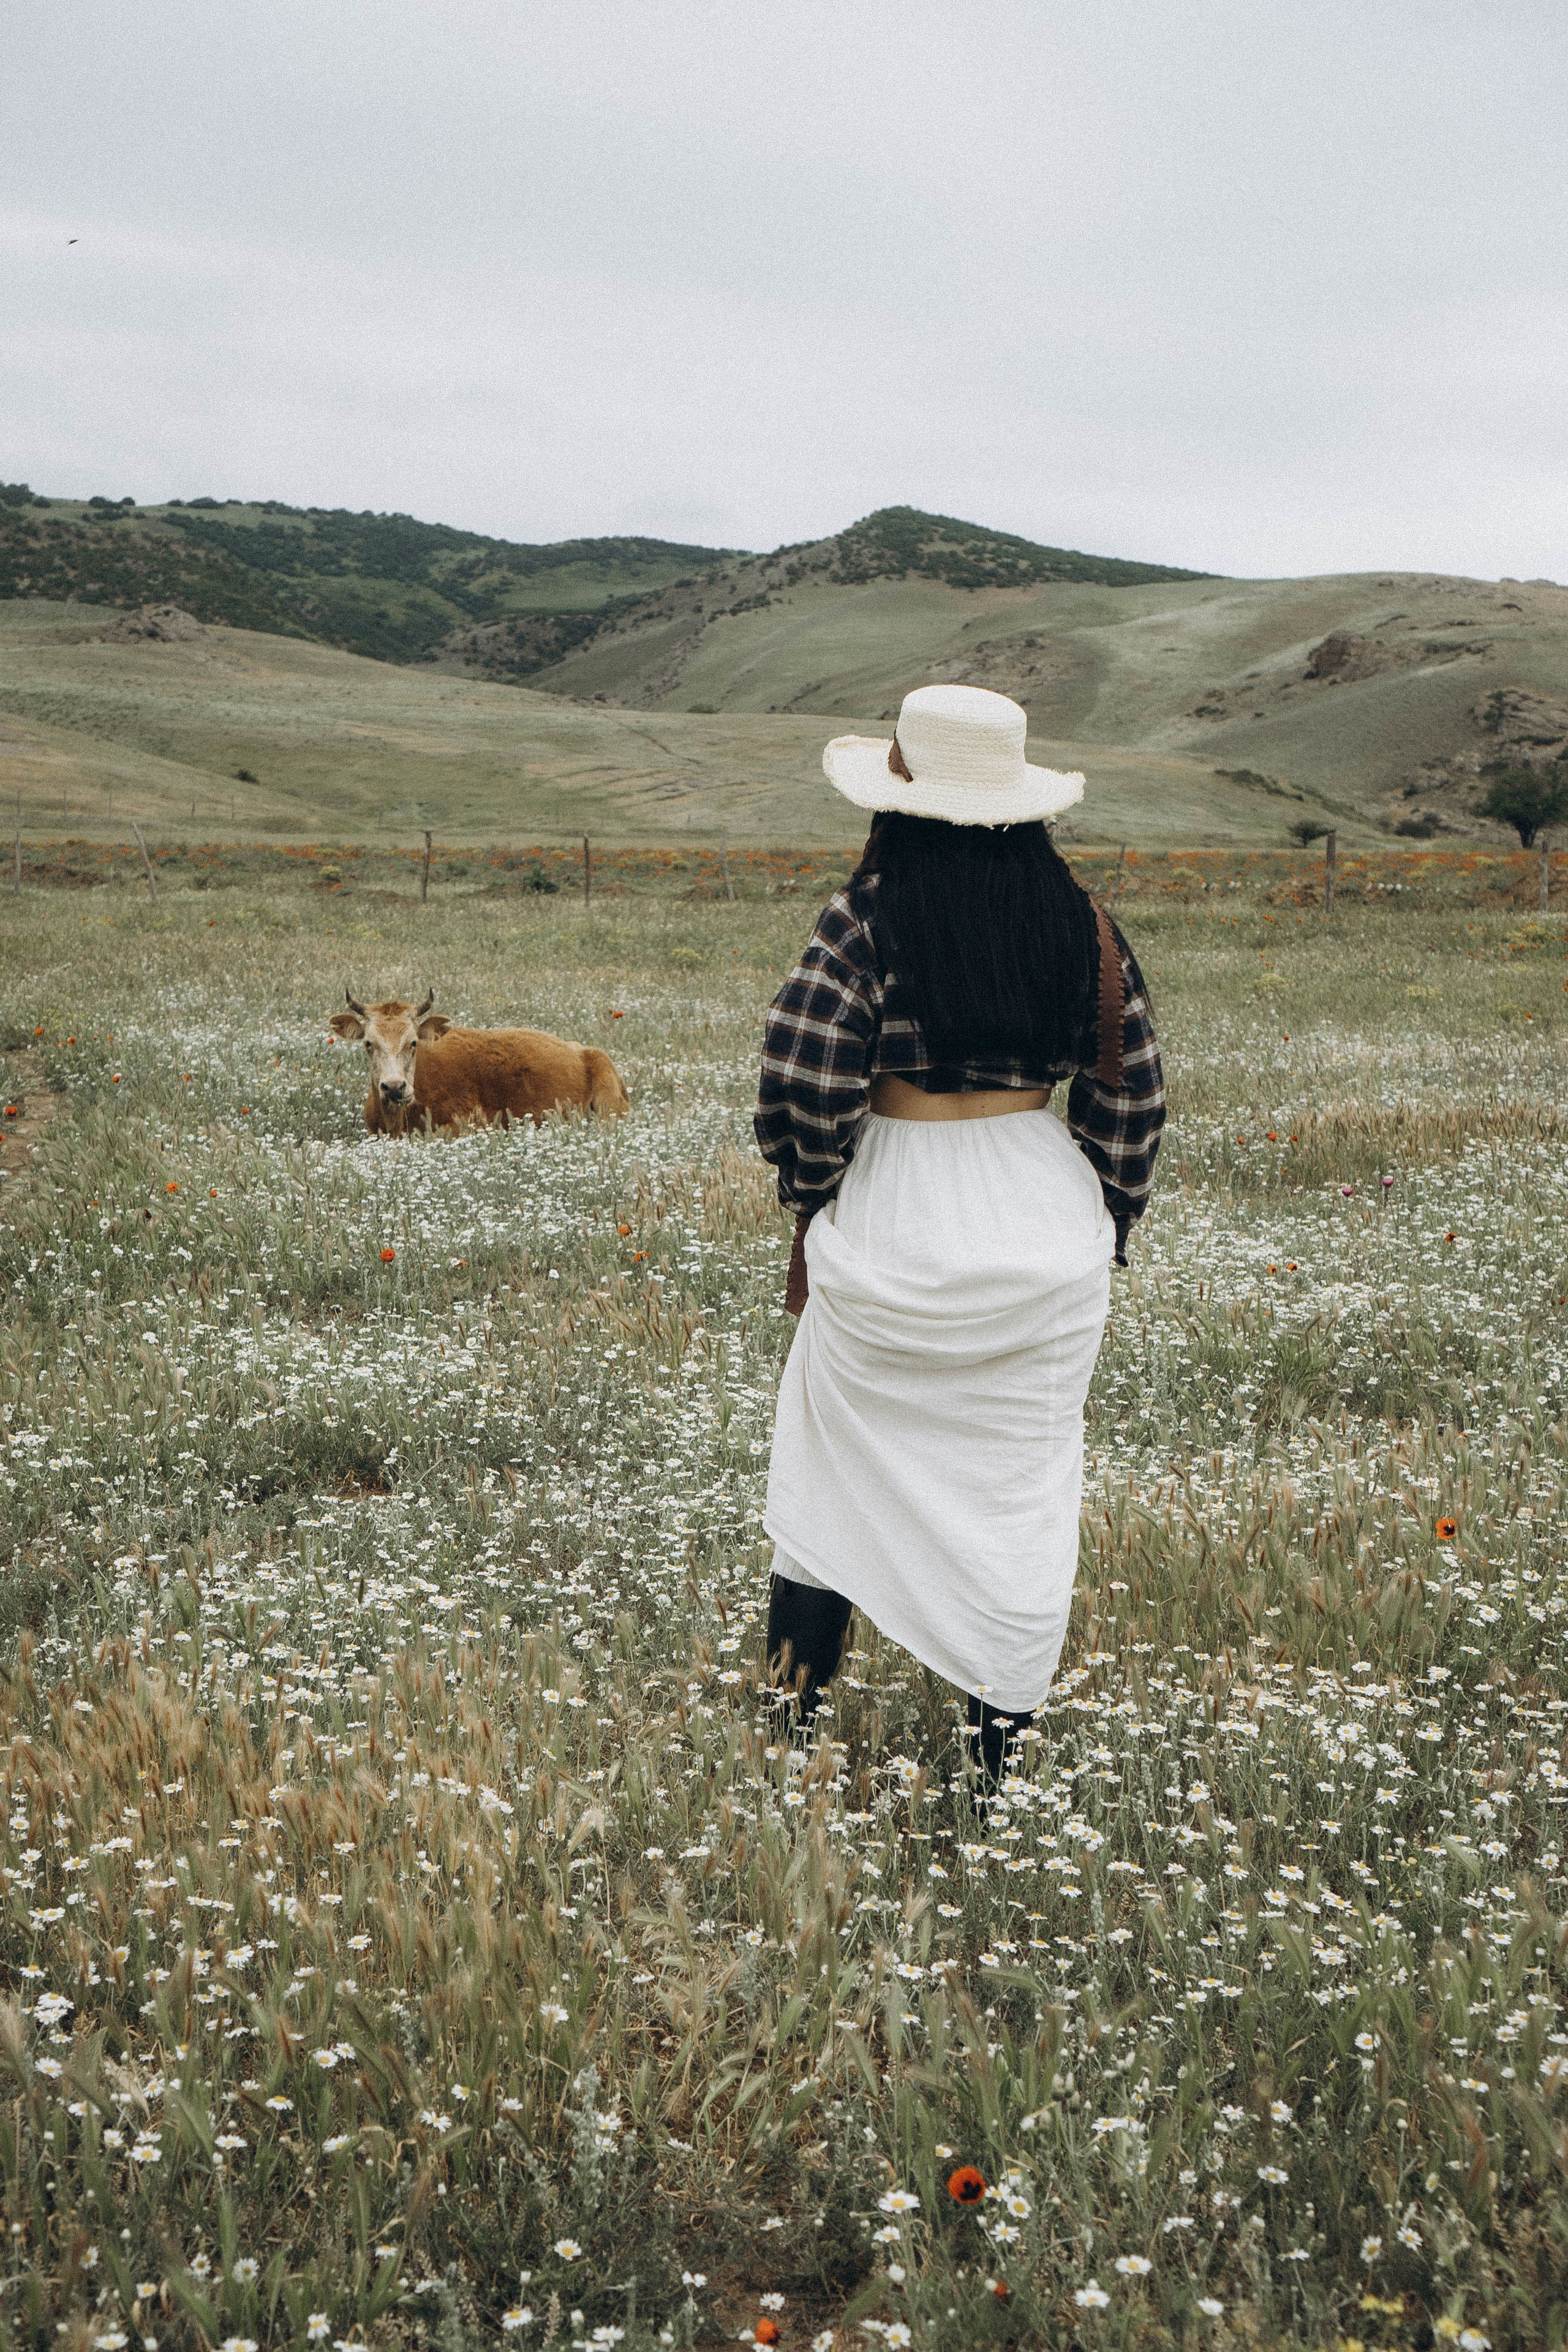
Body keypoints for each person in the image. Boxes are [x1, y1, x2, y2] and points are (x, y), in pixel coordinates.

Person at [753, 683, 1164, 1783]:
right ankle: (995, 1765)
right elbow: (1132, 1094)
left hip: (899, 1199)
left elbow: (803, 1080)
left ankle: (794, 1729)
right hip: (1040, 1204)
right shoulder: (1078, 920)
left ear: (896, 799)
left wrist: (820, 1195)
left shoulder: (867, 918)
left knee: (833, 1463)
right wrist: (1100, 1214)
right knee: (1016, 1488)